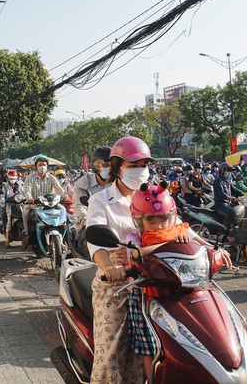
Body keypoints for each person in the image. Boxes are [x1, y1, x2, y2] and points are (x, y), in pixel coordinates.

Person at [125, 181, 233, 382]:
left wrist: (218, 250)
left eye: (163, 219)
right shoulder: (136, 237)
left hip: (181, 289)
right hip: (145, 293)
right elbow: (134, 253)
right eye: (151, 220)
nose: (159, 225)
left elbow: (203, 244)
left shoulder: (179, 228)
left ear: (172, 216)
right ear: (139, 220)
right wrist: (169, 242)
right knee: (149, 345)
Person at [86, 136, 154, 384]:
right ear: (116, 168)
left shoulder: (151, 197)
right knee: (112, 354)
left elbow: (175, 223)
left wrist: (209, 248)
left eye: (143, 165)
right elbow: (95, 238)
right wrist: (109, 267)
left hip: (154, 278)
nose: (139, 171)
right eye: (132, 166)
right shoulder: (101, 200)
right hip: (118, 281)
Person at [73, 146, 111, 258]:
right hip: (89, 229)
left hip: (115, 227)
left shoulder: (119, 183)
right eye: (105, 165)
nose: (108, 169)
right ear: (96, 166)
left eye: (111, 165)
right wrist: (89, 221)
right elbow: (79, 208)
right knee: (97, 252)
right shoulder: (82, 184)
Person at [22, 154, 65, 251]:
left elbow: (60, 189)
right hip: (35, 205)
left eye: (44, 165)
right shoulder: (30, 178)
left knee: (63, 211)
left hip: (50, 205)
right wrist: (30, 199)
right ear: (36, 166)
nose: (42, 167)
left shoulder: (51, 178)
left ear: (47, 166)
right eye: (40, 164)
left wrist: (65, 196)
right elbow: (27, 191)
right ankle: (29, 237)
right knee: (27, 214)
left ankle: (64, 241)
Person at [1, 169, 24, 248]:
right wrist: (3, 200)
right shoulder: (5, 186)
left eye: (14, 178)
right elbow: (3, 195)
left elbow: (23, 193)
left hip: (20, 205)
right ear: (8, 178)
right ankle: (7, 242)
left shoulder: (20, 185)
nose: (13, 180)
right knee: (8, 223)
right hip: (9, 206)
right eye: (11, 178)